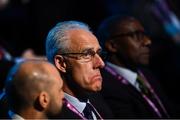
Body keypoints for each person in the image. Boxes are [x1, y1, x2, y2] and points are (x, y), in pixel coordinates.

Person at [97, 15, 173, 118]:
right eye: (137, 35)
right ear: (112, 45)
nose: (148, 41)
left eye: (145, 35)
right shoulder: (105, 87)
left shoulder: (145, 72)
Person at [45, 20, 113, 119]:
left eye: (99, 53)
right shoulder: (53, 115)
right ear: (61, 63)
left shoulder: (97, 99)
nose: (101, 64)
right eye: (86, 54)